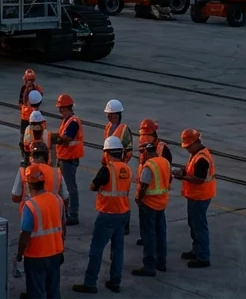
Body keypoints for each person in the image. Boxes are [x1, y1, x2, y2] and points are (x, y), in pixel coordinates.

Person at [72, 136, 133, 294]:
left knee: (96, 249)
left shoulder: (107, 169)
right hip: (123, 213)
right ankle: (115, 282)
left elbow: (93, 186)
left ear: (107, 153)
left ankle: (90, 283)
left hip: (107, 214)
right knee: (118, 250)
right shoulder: (127, 169)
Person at [17, 167, 65, 299]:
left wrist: (20, 254)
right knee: (53, 290)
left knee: (37, 292)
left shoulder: (30, 205)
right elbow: (63, 226)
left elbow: (25, 233)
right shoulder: (57, 199)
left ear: (29, 184)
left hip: (36, 256)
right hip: (55, 252)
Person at [130, 137, 172, 278]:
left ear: (147, 153)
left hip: (149, 204)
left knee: (149, 235)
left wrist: (139, 198)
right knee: (161, 232)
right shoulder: (165, 162)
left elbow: (144, 185)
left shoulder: (149, 166)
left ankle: (149, 266)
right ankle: (161, 262)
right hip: (162, 203)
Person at [174, 129, 214, 269]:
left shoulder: (202, 158)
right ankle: (196, 250)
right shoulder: (196, 154)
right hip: (195, 196)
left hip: (200, 196)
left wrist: (183, 177)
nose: (187, 149)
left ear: (196, 142)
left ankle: (203, 257)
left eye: (188, 146)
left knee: (199, 226)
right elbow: (192, 170)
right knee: (194, 224)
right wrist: (183, 171)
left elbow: (198, 179)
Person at [51, 94, 85, 225]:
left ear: (66, 107)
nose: (59, 111)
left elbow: (66, 139)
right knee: (64, 186)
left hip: (69, 159)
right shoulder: (67, 121)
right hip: (64, 158)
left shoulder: (73, 122)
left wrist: (53, 139)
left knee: (70, 187)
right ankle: (65, 211)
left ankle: (73, 214)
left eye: (61, 108)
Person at [104, 100, 133, 237]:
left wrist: (121, 164)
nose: (108, 116)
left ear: (117, 114)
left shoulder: (124, 130)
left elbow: (129, 150)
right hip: (109, 167)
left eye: (110, 114)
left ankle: (125, 224)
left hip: (120, 170)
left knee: (122, 196)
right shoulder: (108, 127)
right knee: (111, 195)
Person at [11, 142, 68, 208]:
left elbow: (15, 197)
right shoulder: (56, 173)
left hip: (31, 211)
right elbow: (65, 198)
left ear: (30, 158)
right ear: (47, 158)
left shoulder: (24, 172)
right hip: (53, 211)